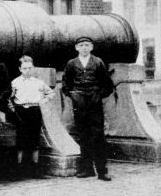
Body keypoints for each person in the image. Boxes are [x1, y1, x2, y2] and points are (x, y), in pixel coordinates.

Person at [62, 36, 114, 181]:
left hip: (94, 104)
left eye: (87, 45)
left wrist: (98, 95)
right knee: (83, 135)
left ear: (91, 47)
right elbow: (66, 84)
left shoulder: (98, 62)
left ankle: (102, 171)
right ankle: (87, 169)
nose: (84, 48)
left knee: (98, 136)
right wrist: (73, 95)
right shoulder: (72, 63)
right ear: (76, 48)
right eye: (81, 45)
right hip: (79, 104)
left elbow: (107, 84)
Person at [9, 55, 55, 178]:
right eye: (24, 68)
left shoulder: (38, 82)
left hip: (34, 111)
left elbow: (51, 92)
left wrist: (42, 102)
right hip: (21, 112)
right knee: (21, 140)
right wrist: (13, 109)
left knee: (35, 140)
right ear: (20, 69)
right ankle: (19, 170)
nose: (27, 71)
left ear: (33, 68)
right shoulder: (15, 82)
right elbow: (9, 98)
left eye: (30, 68)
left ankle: (35, 170)